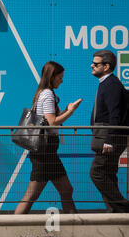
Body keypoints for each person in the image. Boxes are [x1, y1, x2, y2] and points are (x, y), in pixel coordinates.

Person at [15, 61, 82, 214]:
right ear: (52, 77)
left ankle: (73, 228)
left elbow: (49, 119)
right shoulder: (48, 94)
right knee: (31, 195)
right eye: (60, 77)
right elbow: (51, 123)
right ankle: (10, 229)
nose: (62, 80)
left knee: (66, 189)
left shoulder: (43, 93)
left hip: (48, 153)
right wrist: (70, 111)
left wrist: (65, 110)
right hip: (45, 153)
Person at [89, 50, 129, 213]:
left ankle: (123, 205)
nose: (92, 65)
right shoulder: (107, 83)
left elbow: (115, 114)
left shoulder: (111, 84)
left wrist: (109, 140)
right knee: (108, 174)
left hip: (109, 137)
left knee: (97, 172)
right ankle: (115, 212)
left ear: (106, 66)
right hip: (106, 135)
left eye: (96, 64)